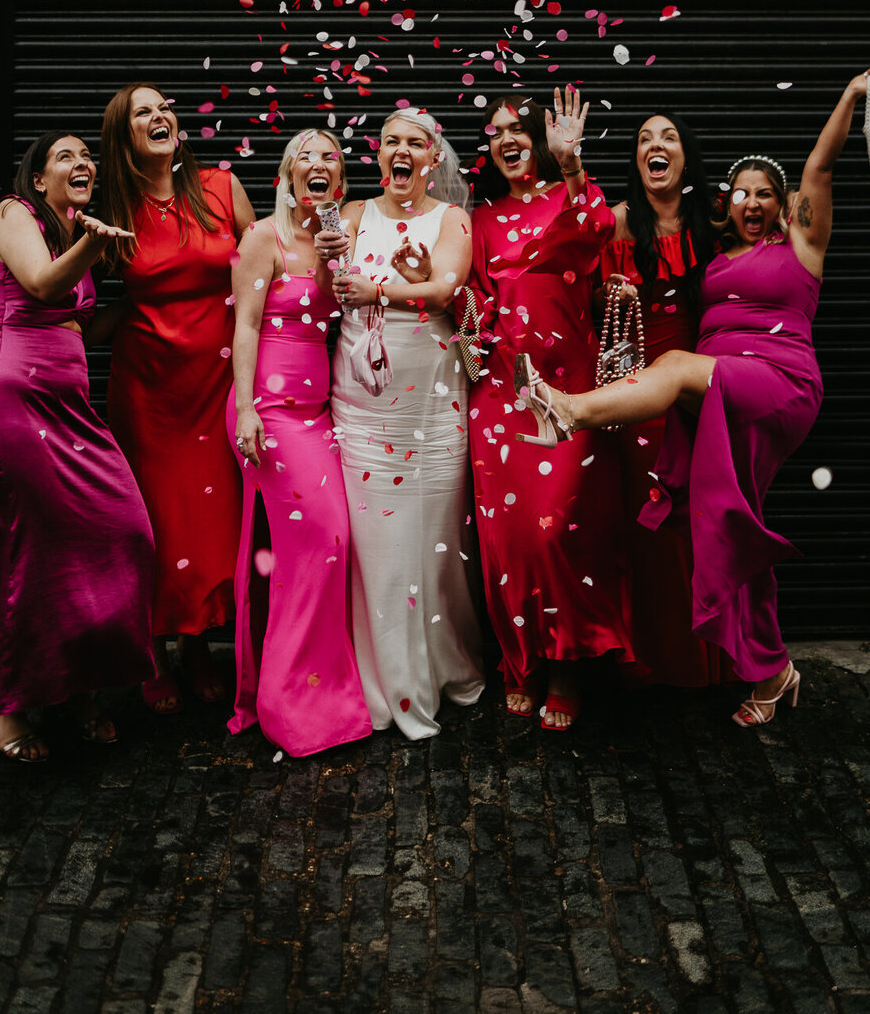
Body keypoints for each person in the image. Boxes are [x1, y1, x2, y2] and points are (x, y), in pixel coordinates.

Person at [515, 66, 870, 728]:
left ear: (783, 203)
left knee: (678, 366)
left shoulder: (803, 244)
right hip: (711, 404)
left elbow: (821, 165)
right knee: (726, 528)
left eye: (764, 194)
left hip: (768, 383)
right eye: (741, 192)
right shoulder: (714, 250)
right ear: (727, 201)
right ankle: (773, 673)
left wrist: (852, 97)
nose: (751, 202)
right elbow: (600, 250)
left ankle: (568, 410)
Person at [0, 132, 156, 760]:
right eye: (66, 157)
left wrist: (149, 307)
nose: (83, 164)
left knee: (116, 532)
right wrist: (93, 244)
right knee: (23, 545)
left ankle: (77, 684)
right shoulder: (14, 213)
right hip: (12, 397)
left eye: (87, 157)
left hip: (68, 405)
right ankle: (2, 702)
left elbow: (79, 322)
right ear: (37, 177)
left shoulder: (74, 229)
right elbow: (44, 287)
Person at [467, 88, 633, 731]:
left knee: (556, 529)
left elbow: (597, 229)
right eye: (493, 131)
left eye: (517, 128)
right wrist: (467, 333)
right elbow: (472, 313)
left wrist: (571, 165)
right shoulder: (478, 221)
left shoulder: (574, 197)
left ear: (538, 137)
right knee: (506, 539)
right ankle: (519, 662)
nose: (505, 138)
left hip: (568, 393)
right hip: (500, 396)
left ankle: (567, 665)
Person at [317, 107, 484, 741]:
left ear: (434, 160)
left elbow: (445, 288)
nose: (402, 150)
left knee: (436, 543)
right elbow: (326, 281)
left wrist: (386, 290)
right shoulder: (354, 217)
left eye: (415, 143)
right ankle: (392, 681)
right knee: (379, 547)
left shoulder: (452, 220)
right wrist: (329, 261)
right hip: (362, 400)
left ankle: (446, 664)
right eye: (391, 142)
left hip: (433, 401)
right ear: (378, 154)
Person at [99, 82, 255, 713]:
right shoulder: (111, 205)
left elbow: (266, 264)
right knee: (157, 524)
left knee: (210, 522)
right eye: (144, 113)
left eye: (165, 108)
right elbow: (92, 295)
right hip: (149, 387)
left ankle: (196, 646)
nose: (161, 116)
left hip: (217, 379)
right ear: (125, 136)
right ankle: (154, 651)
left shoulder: (221, 186)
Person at [226, 130, 372, 756]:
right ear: (287, 175)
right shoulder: (265, 238)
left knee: (328, 549)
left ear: (338, 182)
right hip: (273, 415)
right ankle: (288, 698)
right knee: (326, 536)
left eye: (330, 157)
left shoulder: (335, 240)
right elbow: (248, 324)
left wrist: (345, 264)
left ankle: (326, 690)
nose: (318, 164)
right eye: (304, 156)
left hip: (321, 414)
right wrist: (248, 409)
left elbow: (356, 320)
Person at [601, 112, 728, 688]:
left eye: (669, 137)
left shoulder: (714, 222)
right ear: (636, 161)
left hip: (703, 393)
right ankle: (659, 663)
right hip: (641, 399)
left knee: (702, 526)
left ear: (685, 157)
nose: (656, 146)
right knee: (651, 526)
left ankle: (710, 660)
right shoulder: (623, 224)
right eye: (645, 140)